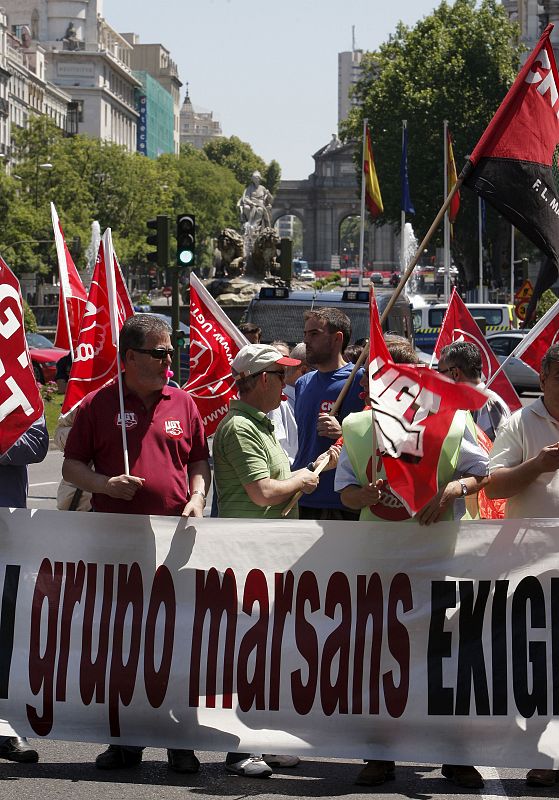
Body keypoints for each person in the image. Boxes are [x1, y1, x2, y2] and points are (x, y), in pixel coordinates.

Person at [334, 335, 490, 788]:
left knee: (448, 654)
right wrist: (361, 494)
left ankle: (455, 753)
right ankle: (380, 753)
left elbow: (481, 473)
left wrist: (449, 491)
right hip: (379, 564)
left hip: (442, 559)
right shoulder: (359, 427)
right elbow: (345, 491)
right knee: (383, 656)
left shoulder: (453, 422)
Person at [63, 314, 210, 774]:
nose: (169, 359)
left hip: (175, 546)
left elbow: (199, 460)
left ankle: (179, 742)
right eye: (159, 352)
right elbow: (71, 468)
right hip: (117, 547)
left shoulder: (183, 403)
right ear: (129, 357)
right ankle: (124, 741)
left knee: (177, 641)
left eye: (170, 351)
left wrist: (199, 495)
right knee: (123, 642)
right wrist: (105, 485)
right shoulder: (100, 405)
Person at [214, 343, 336, 776]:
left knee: (268, 650)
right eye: (281, 376)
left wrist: (312, 470)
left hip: (270, 551)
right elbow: (263, 492)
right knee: (246, 651)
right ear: (263, 379)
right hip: (247, 553)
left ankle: (262, 738)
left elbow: (277, 486)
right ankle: (238, 748)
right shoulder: (241, 428)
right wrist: (304, 477)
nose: (287, 385)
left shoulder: (260, 424)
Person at [486, 343, 559, 789]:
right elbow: (492, 487)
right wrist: (538, 465)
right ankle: (545, 755)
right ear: (546, 378)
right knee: (543, 663)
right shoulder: (519, 422)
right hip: (534, 566)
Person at [0, 415, 48, 763]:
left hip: (9, 531)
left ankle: (8, 728)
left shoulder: (17, 390)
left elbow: (36, 443)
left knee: (6, 634)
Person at [292, 308, 364, 520]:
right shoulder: (302, 383)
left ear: (337, 338)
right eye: (305, 334)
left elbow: (378, 440)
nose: (306, 340)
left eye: (314, 334)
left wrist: (344, 433)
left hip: (342, 501)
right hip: (302, 495)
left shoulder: (360, 381)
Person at [437, 341, 511, 441]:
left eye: (440, 372)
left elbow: (491, 451)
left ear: (455, 373)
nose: (438, 377)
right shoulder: (474, 402)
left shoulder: (485, 403)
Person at [267, 342, 308, 464]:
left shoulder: (302, 399)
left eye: (286, 360)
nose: (285, 368)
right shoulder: (276, 403)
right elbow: (281, 451)